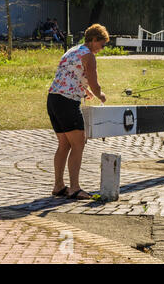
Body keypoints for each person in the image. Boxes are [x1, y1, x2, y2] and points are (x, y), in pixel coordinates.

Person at [47, 24, 109, 200]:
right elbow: (95, 84)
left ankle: (58, 186)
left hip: (53, 99)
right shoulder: (89, 56)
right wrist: (100, 95)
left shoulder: (73, 51)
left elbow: (71, 75)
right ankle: (74, 188)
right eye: (102, 45)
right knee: (78, 143)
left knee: (64, 144)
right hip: (67, 102)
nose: (102, 49)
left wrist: (85, 91)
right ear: (94, 40)